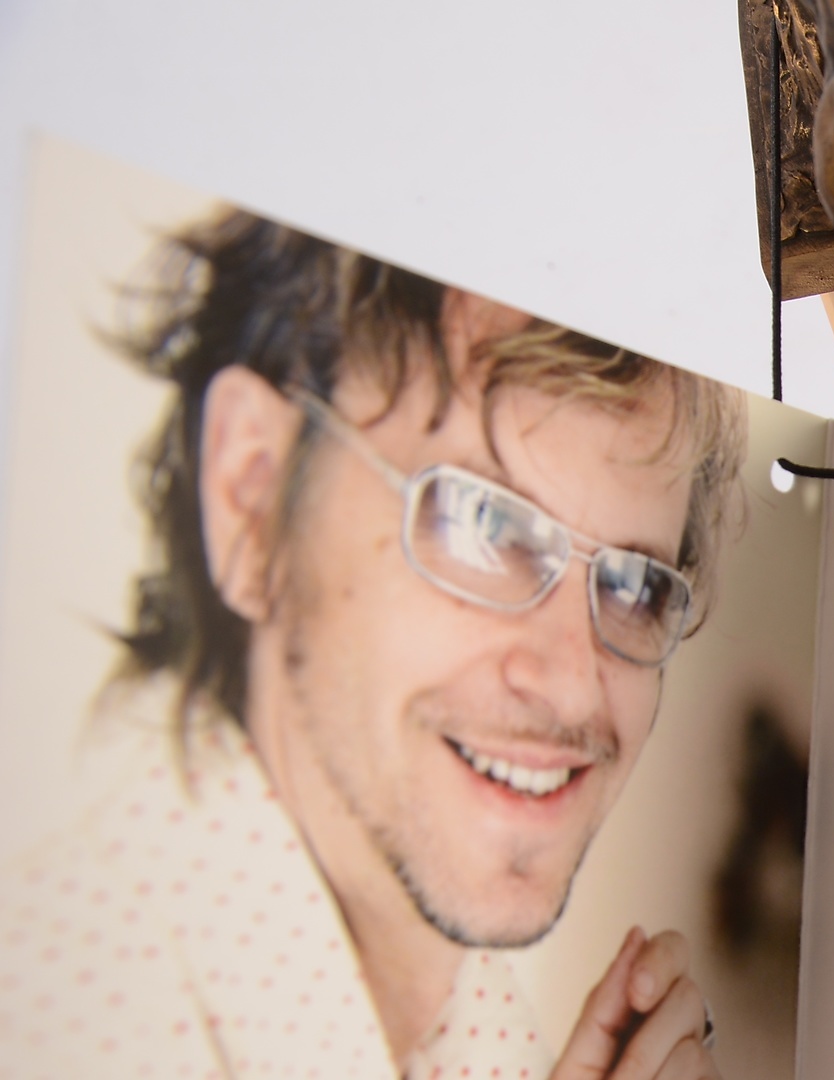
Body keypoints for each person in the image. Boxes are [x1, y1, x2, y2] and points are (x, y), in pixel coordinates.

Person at [0, 210, 747, 1078]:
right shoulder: (62, 1021)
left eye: (633, 585)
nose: (576, 688)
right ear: (251, 499)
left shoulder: (474, 1036)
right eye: (478, 523)